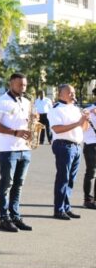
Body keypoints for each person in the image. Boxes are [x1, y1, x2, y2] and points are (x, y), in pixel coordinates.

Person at [0, 73, 34, 232]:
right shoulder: (0, 102)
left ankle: (15, 216)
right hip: (8, 149)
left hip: (25, 148)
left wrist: (34, 119)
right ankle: (4, 218)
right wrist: (15, 132)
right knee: (7, 184)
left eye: (25, 85)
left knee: (18, 185)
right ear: (11, 84)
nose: (23, 88)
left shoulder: (27, 102)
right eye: (20, 85)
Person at [48, 84, 89, 220]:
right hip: (63, 146)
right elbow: (57, 129)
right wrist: (78, 123)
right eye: (69, 92)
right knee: (63, 178)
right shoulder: (56, 109)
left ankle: (66, 207)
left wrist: (85, 119)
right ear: (60, 94)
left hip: (76, 146)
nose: (73, 94)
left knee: (71, 179)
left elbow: (83, 128)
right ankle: (58, 210)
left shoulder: (75, 109)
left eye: (73, 92)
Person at [83, 96, 96, 210]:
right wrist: (89, 116)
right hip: (91, 145)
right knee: (91, 172)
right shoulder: (87, 111)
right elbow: (82, 128)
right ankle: (88, 199)